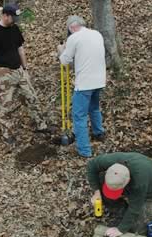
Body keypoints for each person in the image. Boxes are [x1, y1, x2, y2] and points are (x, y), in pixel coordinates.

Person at [0, 4, 49, 144]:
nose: (15, 20)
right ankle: (7, 134)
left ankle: (41, 126)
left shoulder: (14, 29)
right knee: (5, 107)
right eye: (13, 17)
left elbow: (20, 48)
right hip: (3, 74)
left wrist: (25, 68)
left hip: (19, 71)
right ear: (5, 15)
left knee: (32, 98)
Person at [57, 16, 106, 158]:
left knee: (79, 116)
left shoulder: (74, 38)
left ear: (71, 28)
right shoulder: (97, 34)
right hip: (99, 80)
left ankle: (84, 150)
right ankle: (99, 133)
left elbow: (64, 61)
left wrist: (61, 49)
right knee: (94, 108)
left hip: (85, 83)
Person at [87, 152, 152, 237]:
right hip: (131, 178)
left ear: (127, 182)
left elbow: (135, 207)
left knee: (137, 229)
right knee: (101, 183)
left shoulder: (139, 182)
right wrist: (97, 192)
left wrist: (120, 229)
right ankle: (121, 210)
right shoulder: (109, 161)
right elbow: (91, 166)